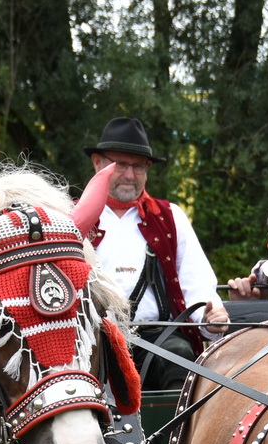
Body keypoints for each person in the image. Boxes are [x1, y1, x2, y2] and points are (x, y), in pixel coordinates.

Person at [82, 116, 227, 362]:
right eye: (120, 164)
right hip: (91, 337)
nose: (130, 175)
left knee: (179, 359)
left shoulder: (170, 216)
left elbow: (197, 283)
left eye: (138, 166)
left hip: (158, 338)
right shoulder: (72, 217)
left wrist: (209, 316)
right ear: (98, 163)